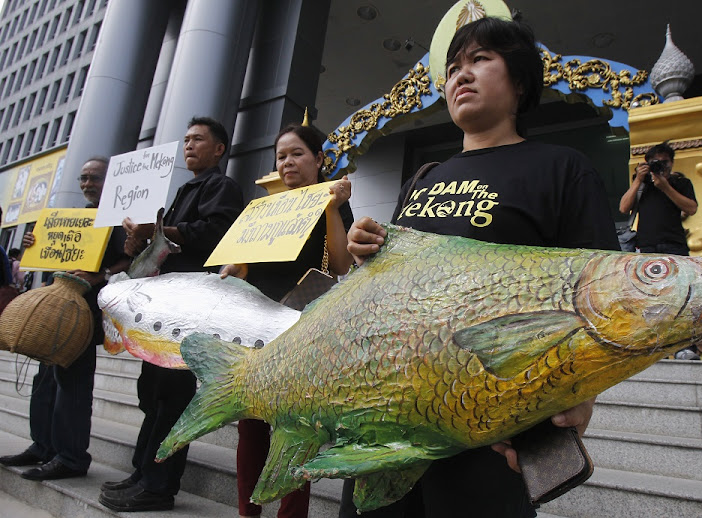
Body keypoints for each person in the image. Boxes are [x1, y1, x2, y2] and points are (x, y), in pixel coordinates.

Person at [343, 16, 619, 518]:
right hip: (391, 406)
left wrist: (585, 394)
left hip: (492, 409)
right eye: (452, 68)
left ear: (519, 81)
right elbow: (397, 281)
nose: (459, 76)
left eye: (479, 60)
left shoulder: (561, 168)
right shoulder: (425, 176)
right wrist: (371, 252)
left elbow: (595, 291)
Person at [98, 117, 245, 512]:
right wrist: (143, 238)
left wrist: (164, 230)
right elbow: (166, 242)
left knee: (174, 396)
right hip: (164, 303)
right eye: (185, 140)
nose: (189, 146)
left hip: (189, 309)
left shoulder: (222, 187)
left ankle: (160, 485)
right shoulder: (184, 189)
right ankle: (142, 471)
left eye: (198, 139)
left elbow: (217, 232)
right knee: (154, 392)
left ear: (219, 149)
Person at [221, 122, 354, 518]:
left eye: (297, 153)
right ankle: (248, 511)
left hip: (301, 327)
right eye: (281, 156)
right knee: (251, 426)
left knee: (296, 430)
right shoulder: (263, 208)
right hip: (255, 327)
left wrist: (331, 207)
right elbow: (243, 261)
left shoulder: (331, 201)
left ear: (318, 159)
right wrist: (236, 265)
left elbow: (343, 263)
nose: (287, 162)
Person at [0, 157, 130, 481]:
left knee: (72, 383)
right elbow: (52, 256)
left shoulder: (120, 221)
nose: (87, 184)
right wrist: (34, 244)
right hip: (55, 312)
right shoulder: (74, 218)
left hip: (83, 316)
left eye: (95, 178)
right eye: (83, 178)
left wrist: (99, 275)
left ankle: (71, 457)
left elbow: (130, 260)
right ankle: (42, 445)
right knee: (44, 378)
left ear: (110, 180)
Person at [619, 141, 698, 359]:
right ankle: (656, 347)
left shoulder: (680, 183)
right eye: (655, 163)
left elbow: (691, 208)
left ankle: (686, 347)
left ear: (671, 163)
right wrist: (638, 180)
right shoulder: (643, 186)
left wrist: (665, 186)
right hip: (647, 248)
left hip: (674, 246)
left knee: (682, 296)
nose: (660, 166)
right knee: (651, 299)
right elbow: (623, 207)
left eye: (664, 162)